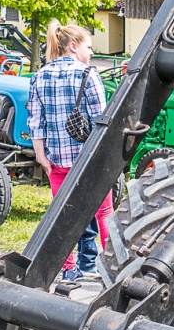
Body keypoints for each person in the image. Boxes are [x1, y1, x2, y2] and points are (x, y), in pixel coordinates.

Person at [27, 21, 112, 282]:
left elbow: (35, 120)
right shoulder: (88, 74)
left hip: (56, 159)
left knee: (61, 214)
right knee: (105, 212)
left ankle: (67, 269)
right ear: (73, 47)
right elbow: (102, 118)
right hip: (89, 159)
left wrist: (40, 154)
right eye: (88, 47)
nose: (91, 53)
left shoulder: (39, 75)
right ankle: (112, 264)